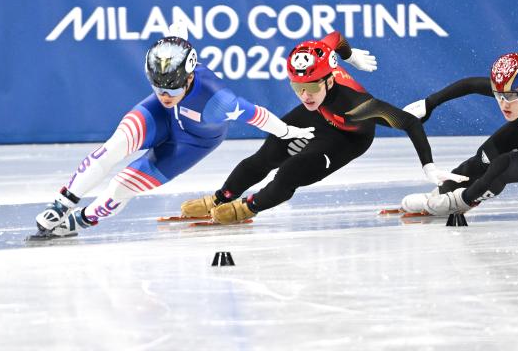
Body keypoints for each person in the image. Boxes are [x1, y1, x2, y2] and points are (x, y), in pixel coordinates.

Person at [31, 22, 316, 238]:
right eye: (158, 87)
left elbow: (259, 116)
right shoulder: (166, 86)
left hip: (192, 143)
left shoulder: (219, 101)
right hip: (158, 117)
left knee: (122, 185)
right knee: (114, 147)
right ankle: (61, 203)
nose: (166, 94)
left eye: (173, 88)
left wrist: (289, 132)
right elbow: (178, 38)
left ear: (190, 76)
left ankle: (80, 220)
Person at [181, 31, 467, 224]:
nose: (304, 95)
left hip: (349, 135)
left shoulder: (360, 106)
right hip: (321, 115)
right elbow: (335, 38)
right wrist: (350, 55)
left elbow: (409, 122)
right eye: (297, 87)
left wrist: (428, 167)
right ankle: (220, 197)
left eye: (311, 86)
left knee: (290, 171)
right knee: (268, 152)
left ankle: (247, 208)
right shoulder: (317, 68)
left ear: (329, 80)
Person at [400, 52, 518, 217]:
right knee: (484, 156)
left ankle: (460, 201)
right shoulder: (513, 89)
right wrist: (429, 103)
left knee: (502, 165)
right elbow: (470, 85)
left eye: (510, 96)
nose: (503, 103)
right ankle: (441, 192)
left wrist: (464, 199)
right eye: (498, 95)